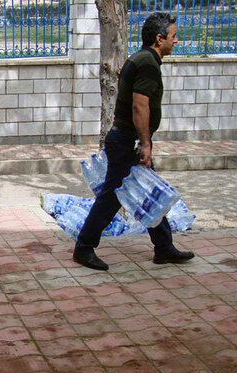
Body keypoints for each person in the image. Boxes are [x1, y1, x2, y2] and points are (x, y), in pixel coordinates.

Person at [72, 12, 194, 271]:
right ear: (159, 39)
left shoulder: (142, 58)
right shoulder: (147, 63)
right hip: (127, 141)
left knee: (150, 191)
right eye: (173, 36)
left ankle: (163, 247)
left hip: (128, 140)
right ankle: (83, 247)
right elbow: (141, 105)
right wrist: (145, 144)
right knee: (112, 197)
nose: (176, 41)